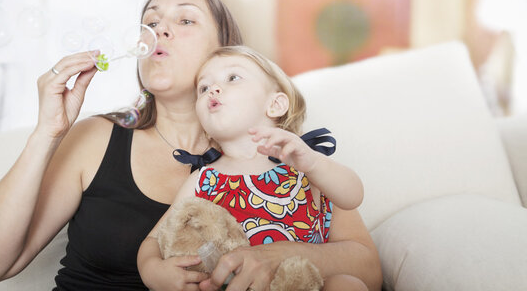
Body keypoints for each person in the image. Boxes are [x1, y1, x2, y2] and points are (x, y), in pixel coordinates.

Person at [0, 0, 381, 290]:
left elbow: (365, 267)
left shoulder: (278, 150)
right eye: (150, 22)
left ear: (225, 50)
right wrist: (46, 134)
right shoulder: (96, 139)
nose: (158, 30)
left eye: (184, 19)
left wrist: (277, 255)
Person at [138, 45, 368, 290]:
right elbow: (154, 239)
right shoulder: (204, 179)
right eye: (203, 88)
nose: (213, 89)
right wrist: (152, 270)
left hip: (304, 284)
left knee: (348, 284)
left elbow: (353, 196)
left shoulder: (302, 163)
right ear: (204, 125)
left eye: (232, 78)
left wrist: (313, 163)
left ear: (276, 105)